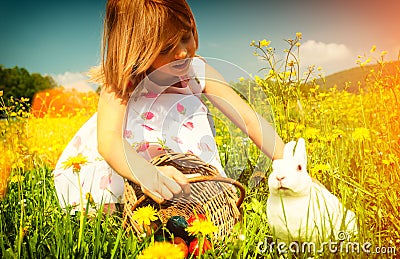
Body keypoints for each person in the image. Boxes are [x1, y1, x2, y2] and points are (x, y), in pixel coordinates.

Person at [52, 0, 285, 214]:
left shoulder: (197, 70)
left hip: (183, 168)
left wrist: (288, 163)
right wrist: (147, 174)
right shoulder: (123, 81)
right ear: (136, 48)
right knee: (108, 209)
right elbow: (109, 140)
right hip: (127, 166)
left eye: (186, 37)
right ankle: (125, 207)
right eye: (165, 48)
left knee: (196, 213)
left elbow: (248, 118)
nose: (182, 52)